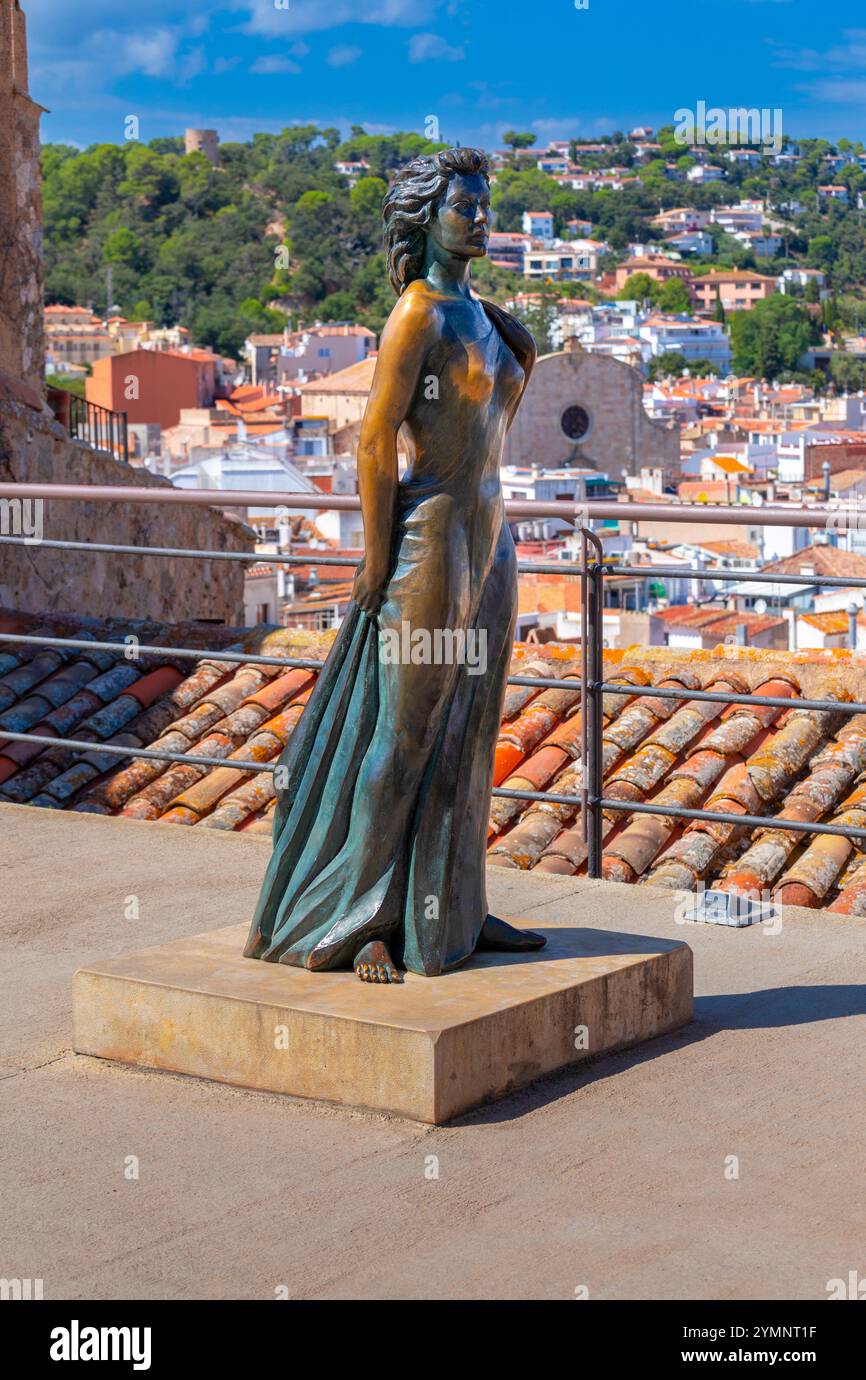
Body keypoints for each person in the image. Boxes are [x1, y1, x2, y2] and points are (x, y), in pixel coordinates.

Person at [244, 147, 546, 982]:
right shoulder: (417, 312)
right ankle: (361, 917)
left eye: (485, 203)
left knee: (470, 730)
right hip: (435, 534)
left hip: (490, 536)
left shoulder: (483, 315)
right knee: (406, 733)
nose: (480, 216)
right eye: (464, 206)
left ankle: (450, 911)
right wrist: (376, 560)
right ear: (427, 218)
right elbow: (376, 439)